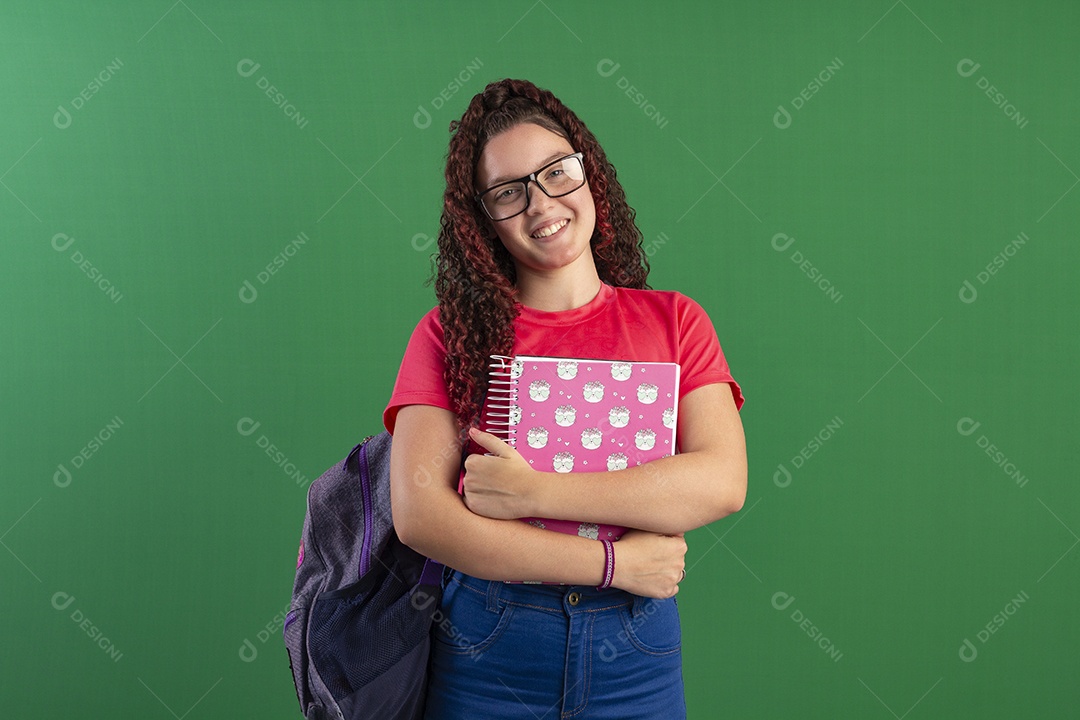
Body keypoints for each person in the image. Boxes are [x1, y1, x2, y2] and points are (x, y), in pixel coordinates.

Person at [384, 78, 746, 720]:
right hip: (489, 643)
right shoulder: (447, 334)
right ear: (482, 219)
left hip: (635, 647)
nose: (541, 202)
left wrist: (536, 494)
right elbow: (422, 519)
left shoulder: (675, 321)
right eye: (509, 192)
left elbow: (722, 480)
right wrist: (612, 564)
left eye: (556, 172)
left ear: (589, 173)